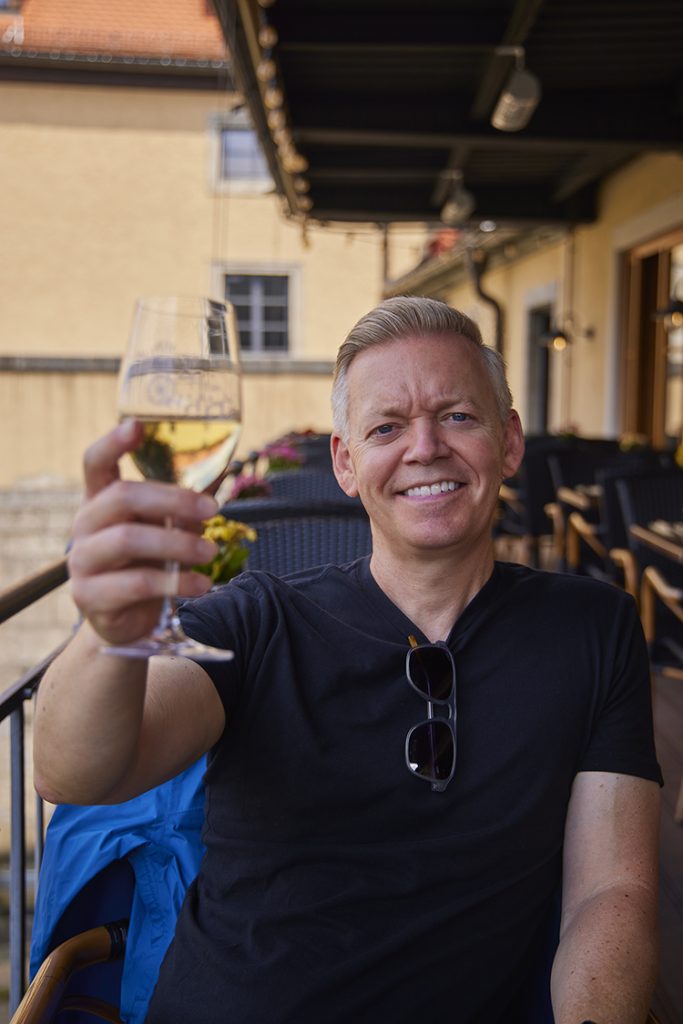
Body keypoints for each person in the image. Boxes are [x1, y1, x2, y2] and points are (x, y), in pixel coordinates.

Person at [34, 296, 661, 1024]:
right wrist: (107, 635)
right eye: (386, 427)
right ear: (345, 462)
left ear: (509, 441)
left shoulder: (592, 627)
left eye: (458, 415)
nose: (424, 447)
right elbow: (72, 772)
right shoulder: (257, 619)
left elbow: (610, 891)